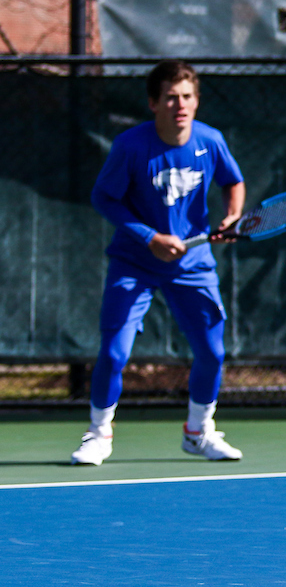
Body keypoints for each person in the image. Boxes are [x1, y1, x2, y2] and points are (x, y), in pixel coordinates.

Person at [70, 61, 246, 465]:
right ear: (153, 103)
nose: (179, 104)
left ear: (196, 101)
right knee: (114, 354)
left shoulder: (211, 141)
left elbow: (232, 182)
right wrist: (149, 237)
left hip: (194, 263)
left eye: (186, 96)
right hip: (135, 262)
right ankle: (98, 434)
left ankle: (199, 432)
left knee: (212, 353)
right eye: (170, 96)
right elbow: (104, 198)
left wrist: (231, 215)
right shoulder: (130, 147)